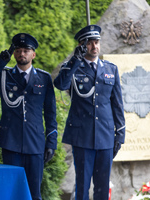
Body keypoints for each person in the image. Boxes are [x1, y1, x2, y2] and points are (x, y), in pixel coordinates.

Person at [0, 33, 58, 200]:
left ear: (33, 54)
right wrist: (0, 62)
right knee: (12, 193)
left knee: (34, 193)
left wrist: (51, 142)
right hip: (11, 142)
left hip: (35, 143)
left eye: (26, 50)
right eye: (18, 50)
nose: (22, 54)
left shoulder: (44, 78)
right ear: (14, 54)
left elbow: (50, 113)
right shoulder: (4, 75)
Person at [54, 25, 126, 200]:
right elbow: (60, 85)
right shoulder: (72, 67)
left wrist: (120, 133)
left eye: (97, 42)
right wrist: (74, 61)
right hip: (82, 136)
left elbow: (117, 104)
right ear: (81, 45)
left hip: (105, 135)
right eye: (90, 43)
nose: (95, 47)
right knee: (82, 185)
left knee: (102, 186)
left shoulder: (110, 69)